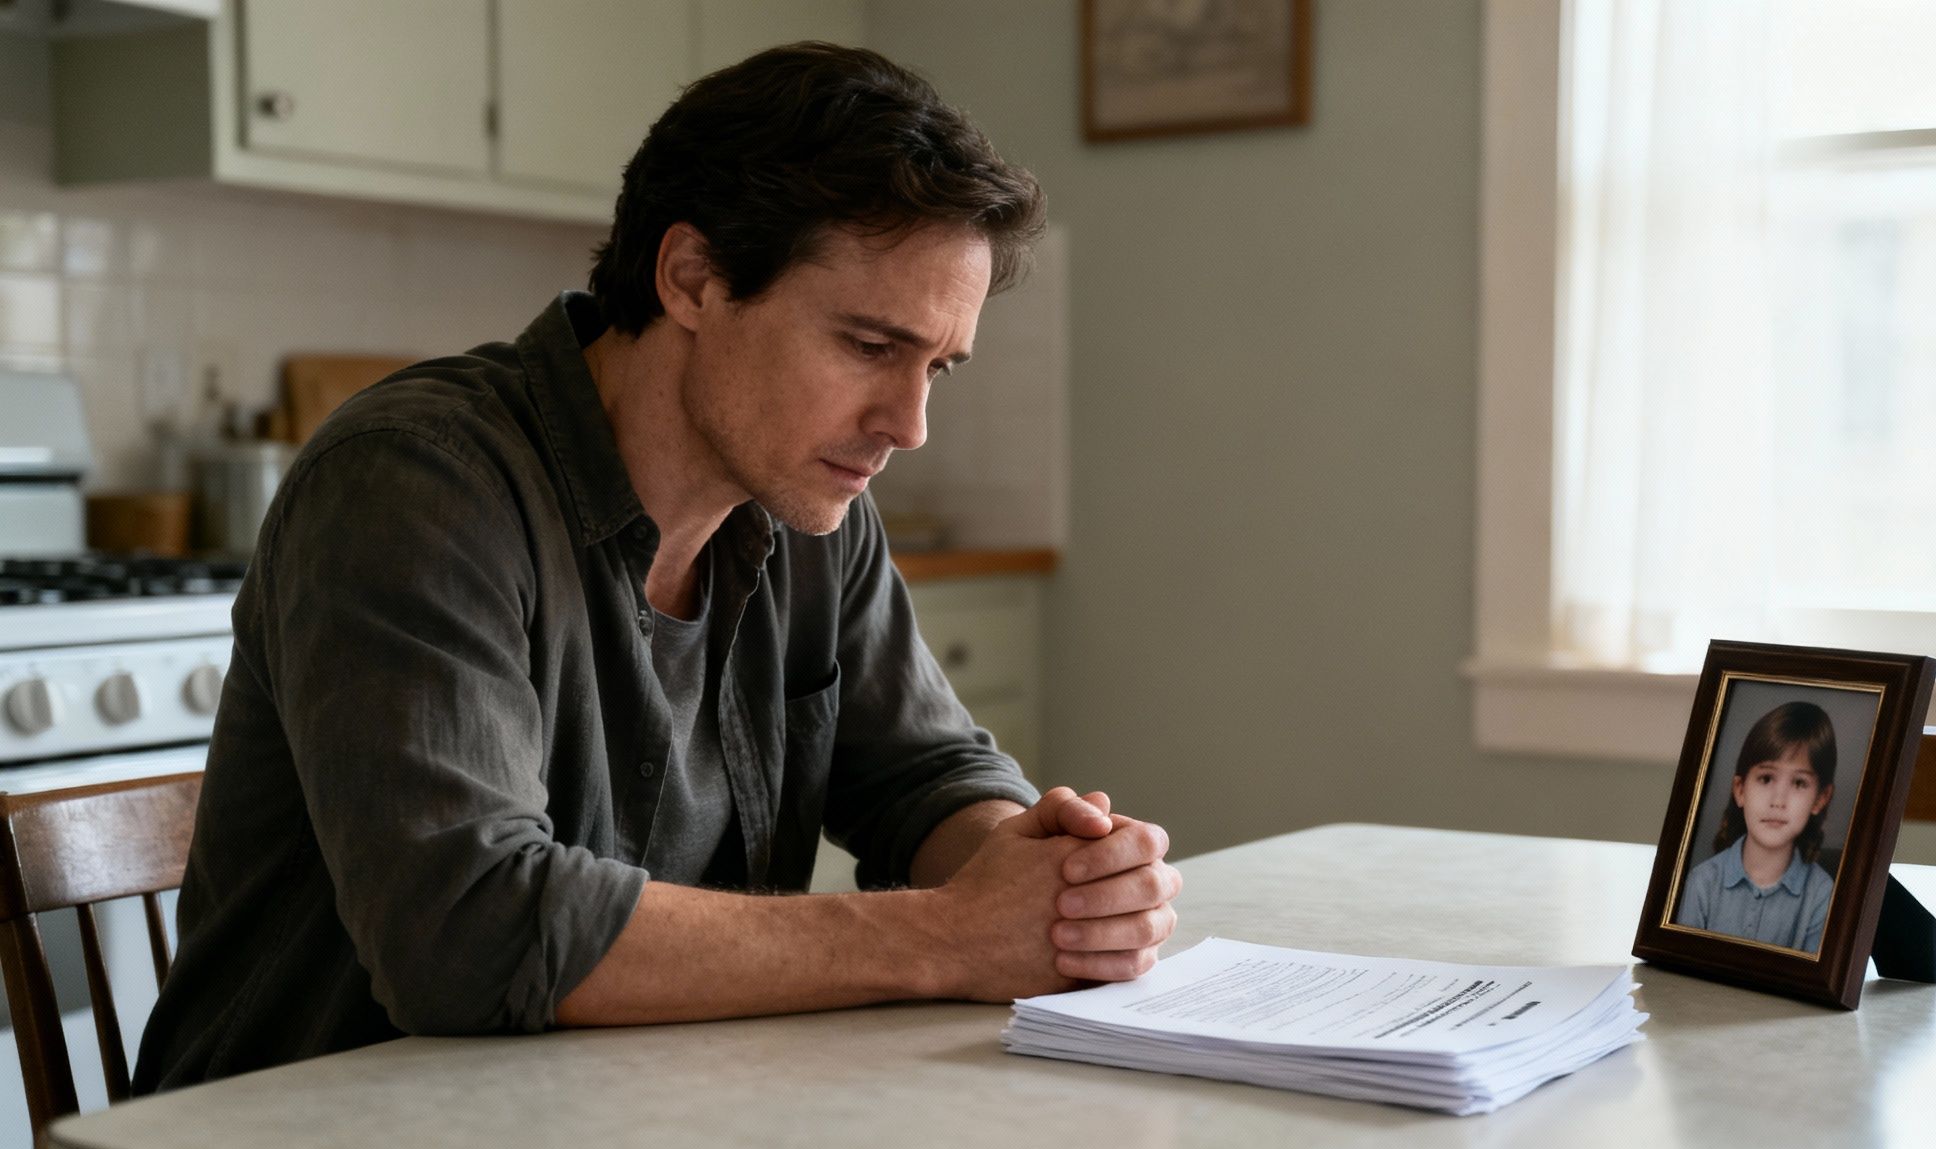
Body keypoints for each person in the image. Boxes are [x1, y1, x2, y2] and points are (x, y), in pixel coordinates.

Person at [133, 43, 1179, 1091]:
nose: (907, 425)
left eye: (935, 367)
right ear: (692, 278)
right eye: (868, 346)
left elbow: (922, 773)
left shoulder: (810, 506)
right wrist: (949, 936)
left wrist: (1037, 874)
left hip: (630, 1105)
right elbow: (469, 933)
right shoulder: (414, 484)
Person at [1674, 701, 1838, 953]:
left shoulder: (1822, 895)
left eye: (1798, 783)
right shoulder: (1702, 882)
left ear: (1819, 799)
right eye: (1766, 778)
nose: (1778, 800)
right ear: (1740, 790)